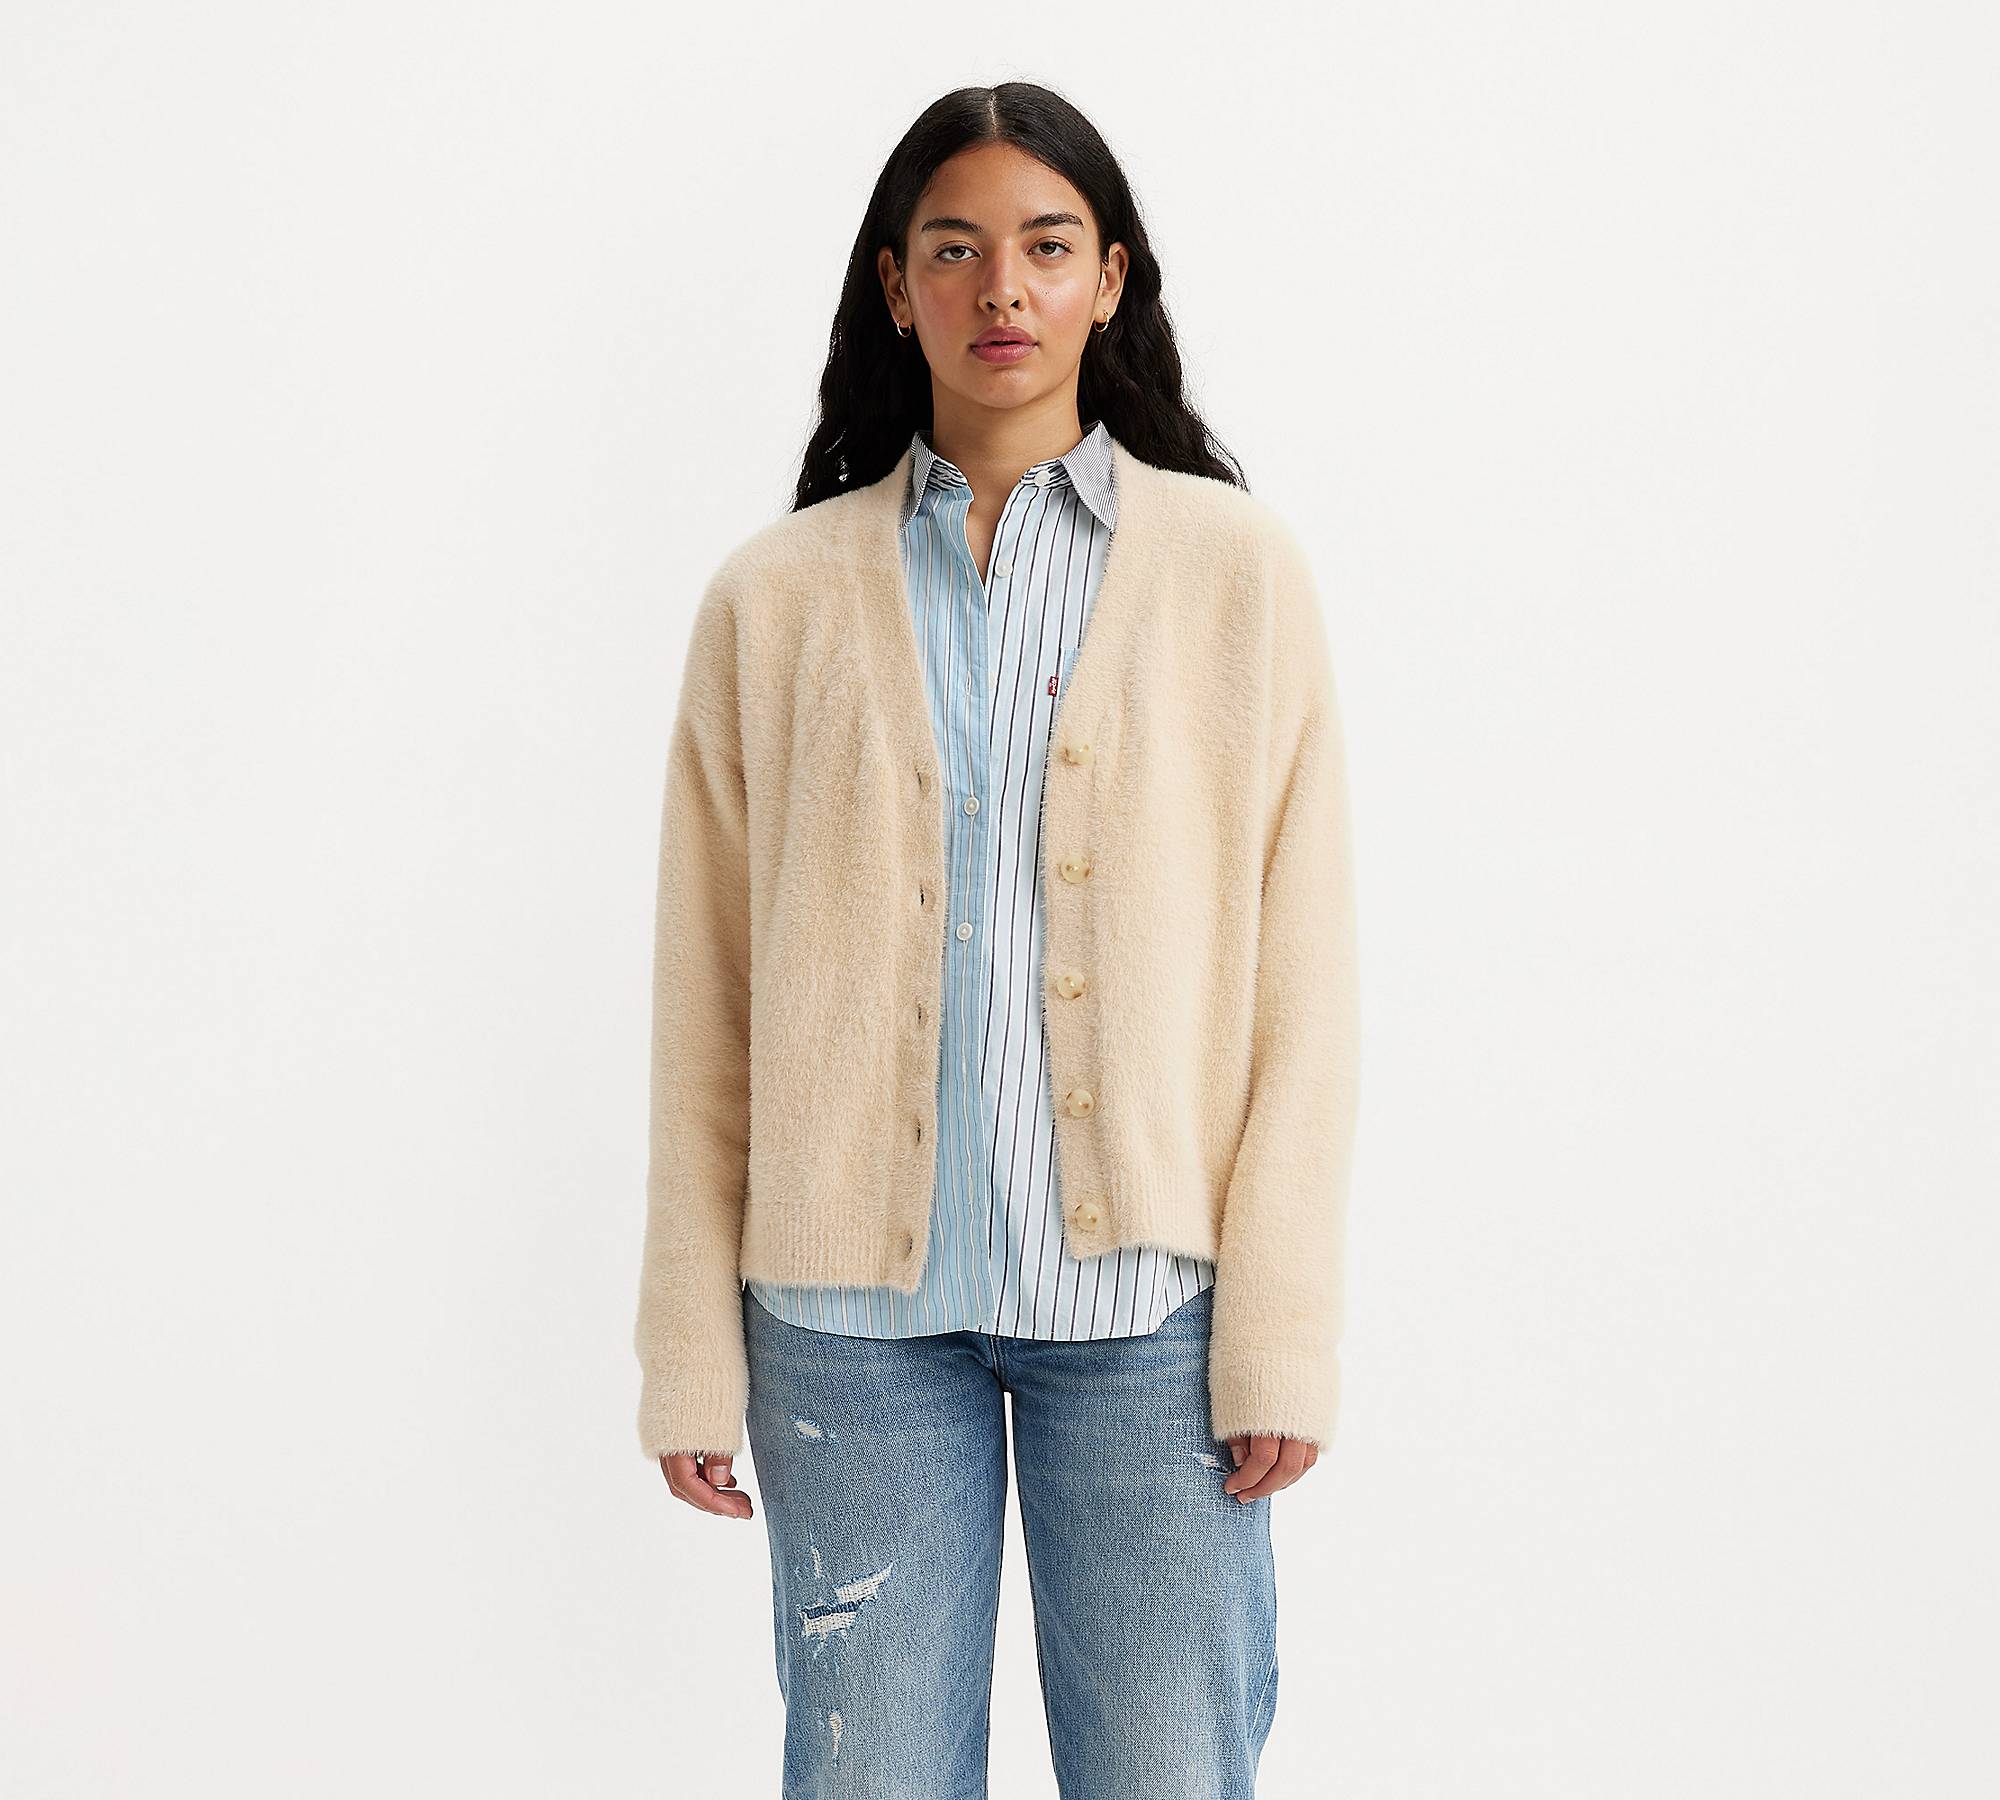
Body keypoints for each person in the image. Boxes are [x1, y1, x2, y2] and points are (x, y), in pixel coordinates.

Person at [634, 80, 1360, 1799]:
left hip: (1152, 1323)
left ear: (1112, 278)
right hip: (845, 1326)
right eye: (954, 251)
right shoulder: (774, 598)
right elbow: (705, 1002)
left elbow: (1306, 985)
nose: (1002, 289)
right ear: (897, 288)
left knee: (1171, 1772)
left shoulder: (1235, 575)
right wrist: (686, 1345)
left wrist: (1280, 1324)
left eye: (1046, 246)